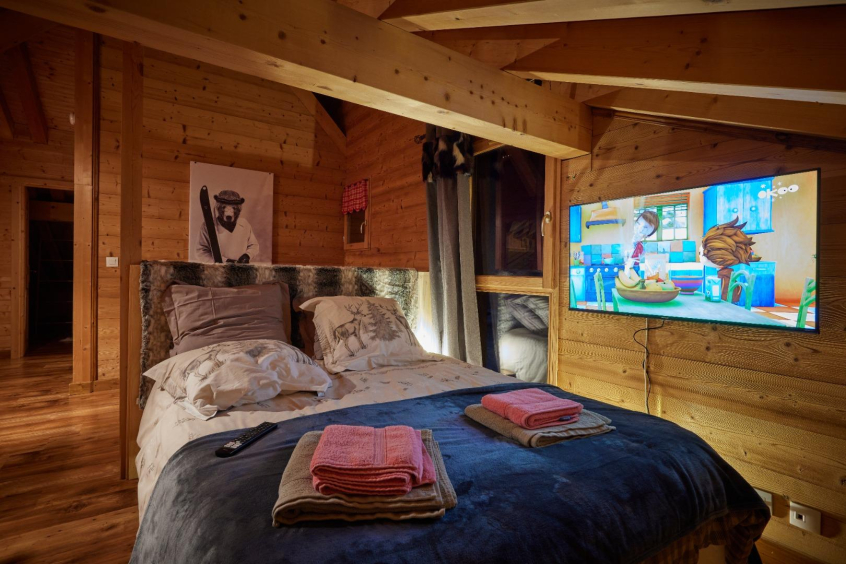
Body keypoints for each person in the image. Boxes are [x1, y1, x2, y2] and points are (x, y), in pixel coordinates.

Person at [196, 189, 259, 263]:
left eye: (233, 208)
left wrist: (247, 255)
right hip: (218, 268)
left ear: (238, 209)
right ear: (218, 208)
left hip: (241, 268)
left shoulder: (244, 224)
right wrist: (225, 261)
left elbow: (254, 245)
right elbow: (201, 252)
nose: (229, 212)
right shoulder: (208, 226)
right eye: (224, 207)